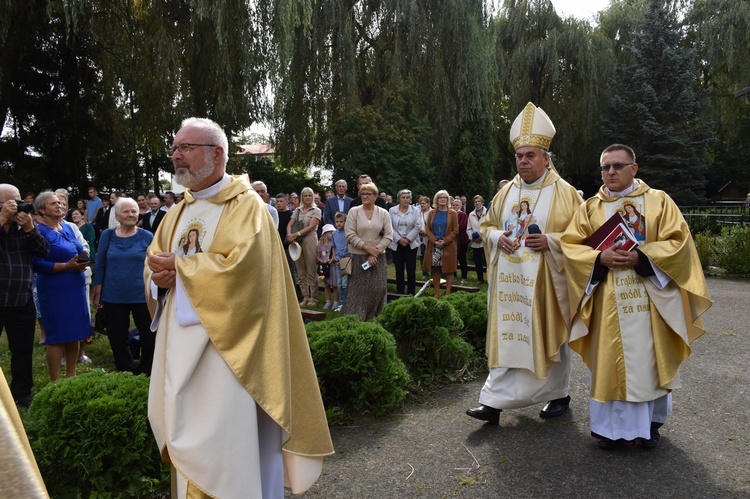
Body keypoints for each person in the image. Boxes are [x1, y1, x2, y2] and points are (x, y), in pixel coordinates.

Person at [145, 117, 332, 497]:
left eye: (185, 148)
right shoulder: (177, 212)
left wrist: (182, 271)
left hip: (231, 352)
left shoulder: (249, 208)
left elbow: (248, 275)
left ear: (216, 154)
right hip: (179, 346)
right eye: (175, 149)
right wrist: (159, 281)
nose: (176, 155)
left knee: (229, 444)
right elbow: (154, 260)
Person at [560, 143, 712, 449]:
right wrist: (598, 259)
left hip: (649, 300)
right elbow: (570, 246)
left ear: (634, 168)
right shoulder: (590, 207)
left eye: (617, 166)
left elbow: (679, 243)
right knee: (608, 362)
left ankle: (649, 425)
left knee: (649, 362)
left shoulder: (658, 202)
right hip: (606, 299)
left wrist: (642, 257)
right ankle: (607, 430)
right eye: (605, 167)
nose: (611, 172)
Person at [466, 102, 583, 425]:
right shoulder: (506, 193)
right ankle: (493, 401)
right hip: (508, 285)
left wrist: (551, 242)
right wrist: (496, 238)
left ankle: (558, 394)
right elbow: (487, 226)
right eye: (519, 156)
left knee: (549, 338)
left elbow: (583, 238)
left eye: (530, 156)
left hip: (547, 282)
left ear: (547, 158)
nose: (523, 161)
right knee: (507, 339)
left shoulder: (567, 193)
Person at [32, 191, 91, 382]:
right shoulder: (38, 232)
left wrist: (81, 262)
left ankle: (71, 376)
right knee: (57, 335)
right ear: (42, 210)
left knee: (74, 332)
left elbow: (79, 249)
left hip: (74, 285)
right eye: (53, 204)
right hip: (54, 287)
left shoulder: (65, 228)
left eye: (60, 202)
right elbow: (36, 263)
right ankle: (55, 381)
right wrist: (66, 266)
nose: (59, 206)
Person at [0, 184, 50, 407]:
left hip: (22, 298)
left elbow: (43, 251)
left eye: (19, 200)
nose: (18, 206)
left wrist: (30, 229)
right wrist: (2, 220)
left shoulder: (26, 225)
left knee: (22, 350)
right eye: (12, 202)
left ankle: (22, 393)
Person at [92, 198, 155, 375]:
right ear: (117, 216)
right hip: (114, 295)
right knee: (117, 337)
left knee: (149, 336)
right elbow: (101, 263)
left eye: (134, 211)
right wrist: (98, 290)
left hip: (142, 294)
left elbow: (154, 264)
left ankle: (146, 371)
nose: (131, 214)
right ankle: (125, 370)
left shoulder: (147, 236)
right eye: (126, 211)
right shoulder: (108, 235)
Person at [341, 182, 393, 321]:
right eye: (362, 194)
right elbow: (350, 234)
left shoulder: (383, 213)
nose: (364, 196)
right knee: (358, 291)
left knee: (379, 288)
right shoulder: (354, 211)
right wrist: (366, 248)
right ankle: (355, 318)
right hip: (358, 256)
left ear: (375, 196)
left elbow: (389, 235)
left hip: (378, 257)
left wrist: (375, 251)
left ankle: (374, 316)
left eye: (368, 194)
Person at [287, 187, 322, 306]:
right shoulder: (297, 210)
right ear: (302, 197)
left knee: (311, 268)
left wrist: (296, 234)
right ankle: (305, 296)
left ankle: (313, 296)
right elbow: (290, 224)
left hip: (310, 239)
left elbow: (312, 226)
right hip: (297, 241)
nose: (307, 197)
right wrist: (289, 236)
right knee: (300, 269)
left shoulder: (316, 210)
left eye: (309, 195)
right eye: (305, 195)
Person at [423, 190, 459, 298]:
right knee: (436, 268)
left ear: (448, 200)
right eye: (440, 197)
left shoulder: (453, 213)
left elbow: (455, 229)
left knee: (449, 269)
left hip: (448, 245)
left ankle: (448, 293)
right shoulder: (432, 213)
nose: (442, 199)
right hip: (434, 245)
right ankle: (437, 293)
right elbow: (428, 228)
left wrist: (445, 241)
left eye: (444, 197)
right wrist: (434, 240)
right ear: (436, 200)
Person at [389, 189, 422, 295]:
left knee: (411, 270)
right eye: (403, 197)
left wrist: (407, 239)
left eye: (407, 197)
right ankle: (400, 293)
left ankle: (411, 293)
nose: (405, 199)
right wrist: (399, 239)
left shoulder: (415, 210)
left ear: (410, 199)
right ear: (399, 199)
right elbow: (389, 226)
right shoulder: (392, 210)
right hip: (396, 244)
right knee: (399, 270)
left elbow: (418, 226)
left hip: (411, 244)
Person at [331, 212, 349, 311]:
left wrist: (344, 259)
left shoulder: (348, 232)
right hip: (337, 260)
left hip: (346, 260)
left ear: (345, 222)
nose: (339, 224)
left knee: (345, 283)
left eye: (341, 222)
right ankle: (342, 303)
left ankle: (347, 302)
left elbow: (349, 247)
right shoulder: (334, 233)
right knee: (339, 283)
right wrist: (334, 256)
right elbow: (333, 246)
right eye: (337, 222)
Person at [467, 195, 487, 284]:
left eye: (479, 201)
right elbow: (468, 228)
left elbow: (490, 226)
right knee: (477, 261)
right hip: (475, 242)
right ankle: (480, 278)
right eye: (475, 202)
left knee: (487, 261)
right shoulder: (471, 214)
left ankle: (490, 278)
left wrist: (483, 237)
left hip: (485, 241)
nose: (477, 203)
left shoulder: (488, 213)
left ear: (482, 202)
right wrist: (472, 237)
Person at [317, 224, 338, 309]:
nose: (332, 234)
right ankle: (328, 301)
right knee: (326, 284)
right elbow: (318, 256)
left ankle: (336, 302)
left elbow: (336, 253)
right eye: (330, 232)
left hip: (333, 267)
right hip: (324, 268)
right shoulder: (320, 245)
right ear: (325, 233)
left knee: (335, 285)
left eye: (333, 232)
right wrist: (322, 261)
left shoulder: (335, 244)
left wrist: (332, 259)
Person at [452, 198, 470, 284]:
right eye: (453, 205)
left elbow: (462, 226)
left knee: (462, 259)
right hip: (452, 240)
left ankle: (464, 277)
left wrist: (453, 229)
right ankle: (454, 275)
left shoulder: (463, 215)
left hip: (462, 240)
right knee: (454, 259)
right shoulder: (450, 214)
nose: (455, 206)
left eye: (456, 205)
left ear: (460, 206)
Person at [417, 195, 432, 278]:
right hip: (420, 237)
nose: (422, 205)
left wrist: (427, 232)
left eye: (424, 203)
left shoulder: (432, 212)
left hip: (429, 237)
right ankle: (425, 273)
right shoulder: (418, 213)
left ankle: (434, 272)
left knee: (431, 254)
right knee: (422, 254)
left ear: (428, 204)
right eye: (421, 203)